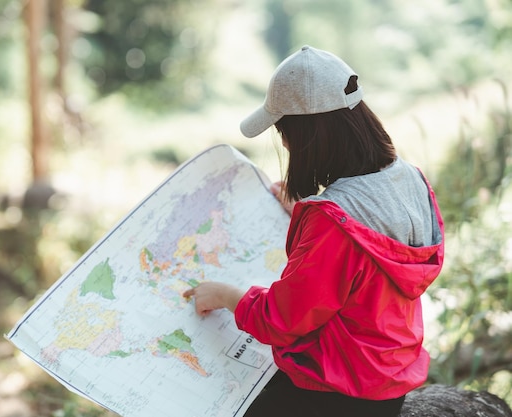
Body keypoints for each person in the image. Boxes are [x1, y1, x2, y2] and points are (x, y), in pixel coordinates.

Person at [183, 45, 444, 417]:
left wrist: (226, 295)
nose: (284, 142)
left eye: (283, 130)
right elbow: (367, 248)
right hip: (388, 379)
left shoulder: (331, 224)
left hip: (338, 392)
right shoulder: (410, 178)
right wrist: (306, 216)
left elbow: (283, 319)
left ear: (309, 134)